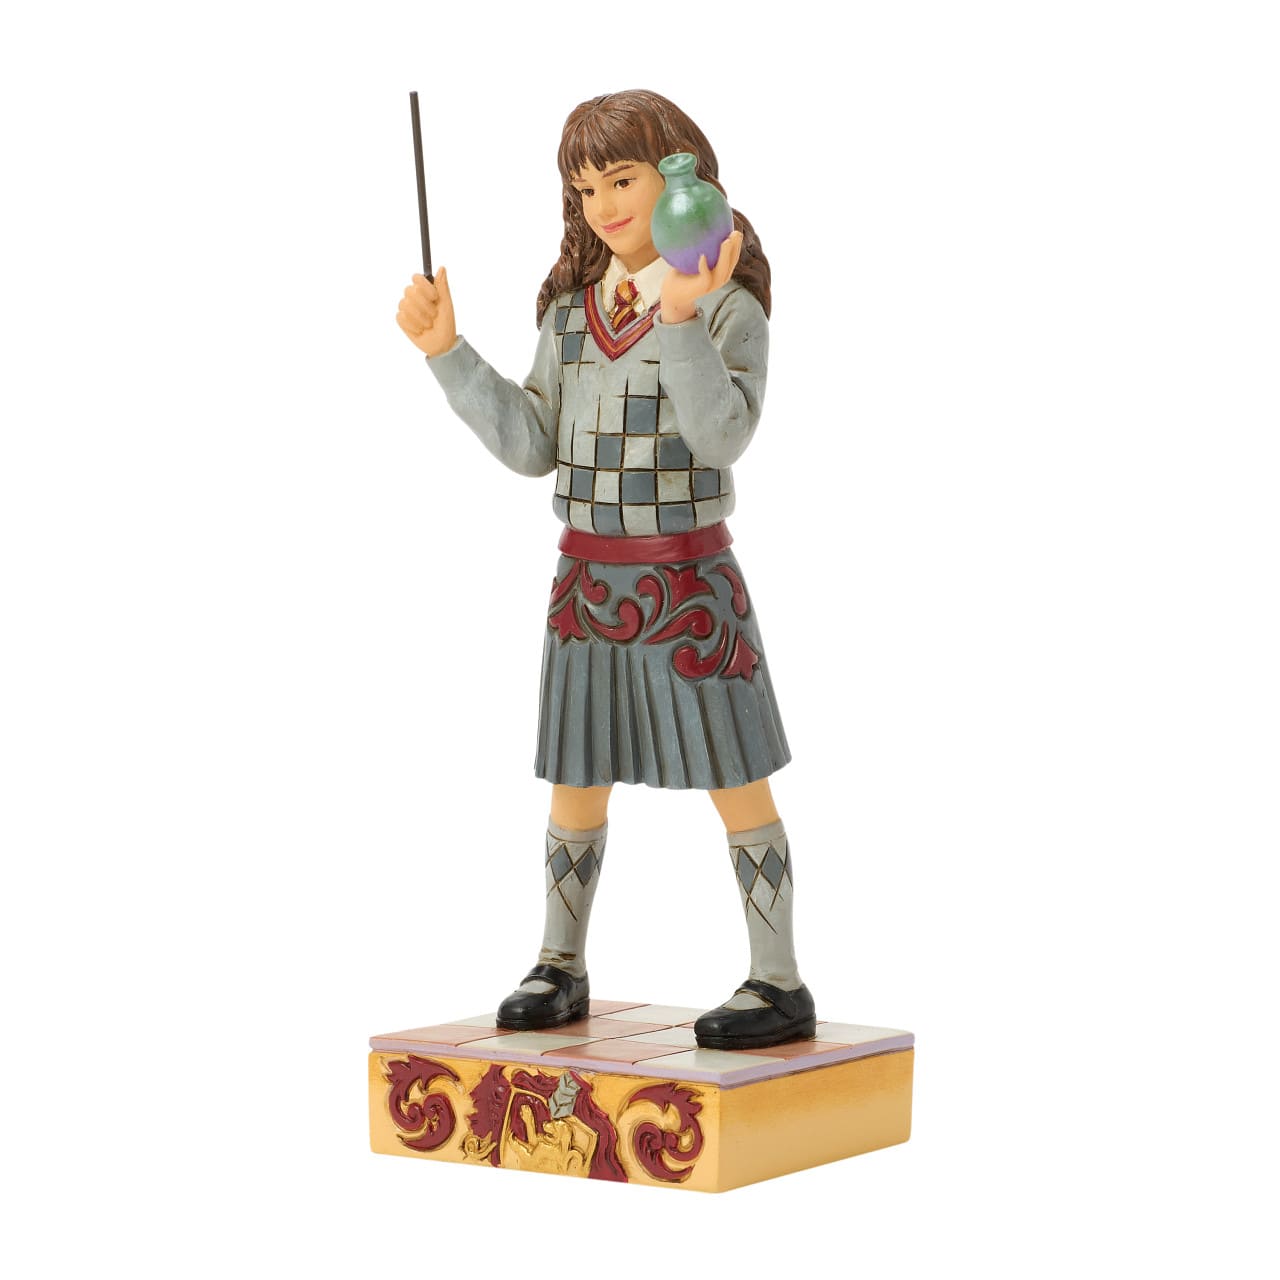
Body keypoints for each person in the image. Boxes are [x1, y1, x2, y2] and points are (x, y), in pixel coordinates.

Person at [396, 89, 814, 1050]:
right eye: (585, 189)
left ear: (679, 177)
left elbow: (721, 434)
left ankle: (778, 978)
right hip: (586, 589)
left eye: (620, 180)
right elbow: (533, 443)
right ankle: (560, 962)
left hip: (689, 585)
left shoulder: (728, 309)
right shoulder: (571, 317)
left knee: (737, 776)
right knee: (575, 782)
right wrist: (448, 353)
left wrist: (680, 318)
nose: (603, 206)